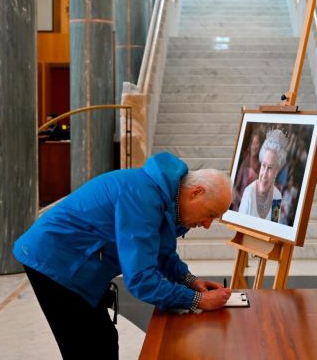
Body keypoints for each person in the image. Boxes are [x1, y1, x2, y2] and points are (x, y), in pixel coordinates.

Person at [13, 152, 232, 359]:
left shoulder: (164, 197)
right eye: (211, 214)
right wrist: (197, 300)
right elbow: (141, 280)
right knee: (88, 348)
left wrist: (188, 280)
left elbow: (161, 251)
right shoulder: (142, 198)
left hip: (74, 260)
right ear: (196, 192)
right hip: (54, 260)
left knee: (103, 341)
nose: (206, 225)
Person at [238, 129, 288, 223]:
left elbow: (274, 227)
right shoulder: (249, 193)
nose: (264, 175)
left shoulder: (277, 197)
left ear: (276, 171)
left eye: (269, 168)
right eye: (263, 166)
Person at [232, 131, 262, 210]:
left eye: (257, 143)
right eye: (253, 143)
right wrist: (242, 200)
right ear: (250, 145)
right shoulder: (244, 162)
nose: (255, 146)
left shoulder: (261, 166)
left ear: (260, 146)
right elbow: (235, 187)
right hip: (239, 207)